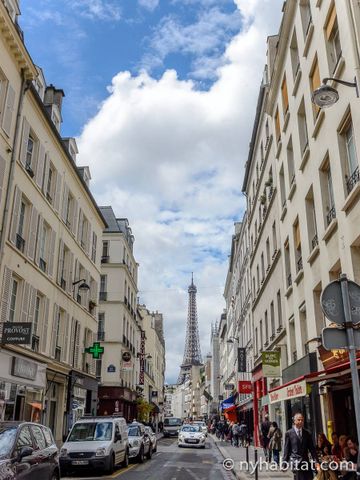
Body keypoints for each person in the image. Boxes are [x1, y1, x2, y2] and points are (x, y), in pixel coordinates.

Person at [283, 412, 319, 480]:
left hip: (306, 462)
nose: (301, 421)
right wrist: (284, 463)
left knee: (309, 477)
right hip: (295, 462)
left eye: (302, 420)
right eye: (299, 420)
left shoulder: (307, 433)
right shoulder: (289, 433)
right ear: (294, 421)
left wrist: (316, 462)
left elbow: (312, 449)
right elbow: (286, 449)